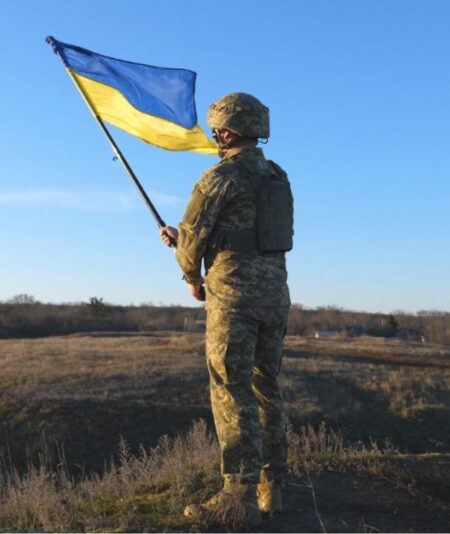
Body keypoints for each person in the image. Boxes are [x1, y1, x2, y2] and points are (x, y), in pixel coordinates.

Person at [159, 92, 293, 528]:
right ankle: (273, 489)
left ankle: (237, 498)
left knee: (230, 391)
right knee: (265, 388)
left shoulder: (218, 178)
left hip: (232, 299)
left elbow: (191, 247)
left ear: (227, 131)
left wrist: (193, 278)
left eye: (217, 129)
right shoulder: (277, 177)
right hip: (274, 298)